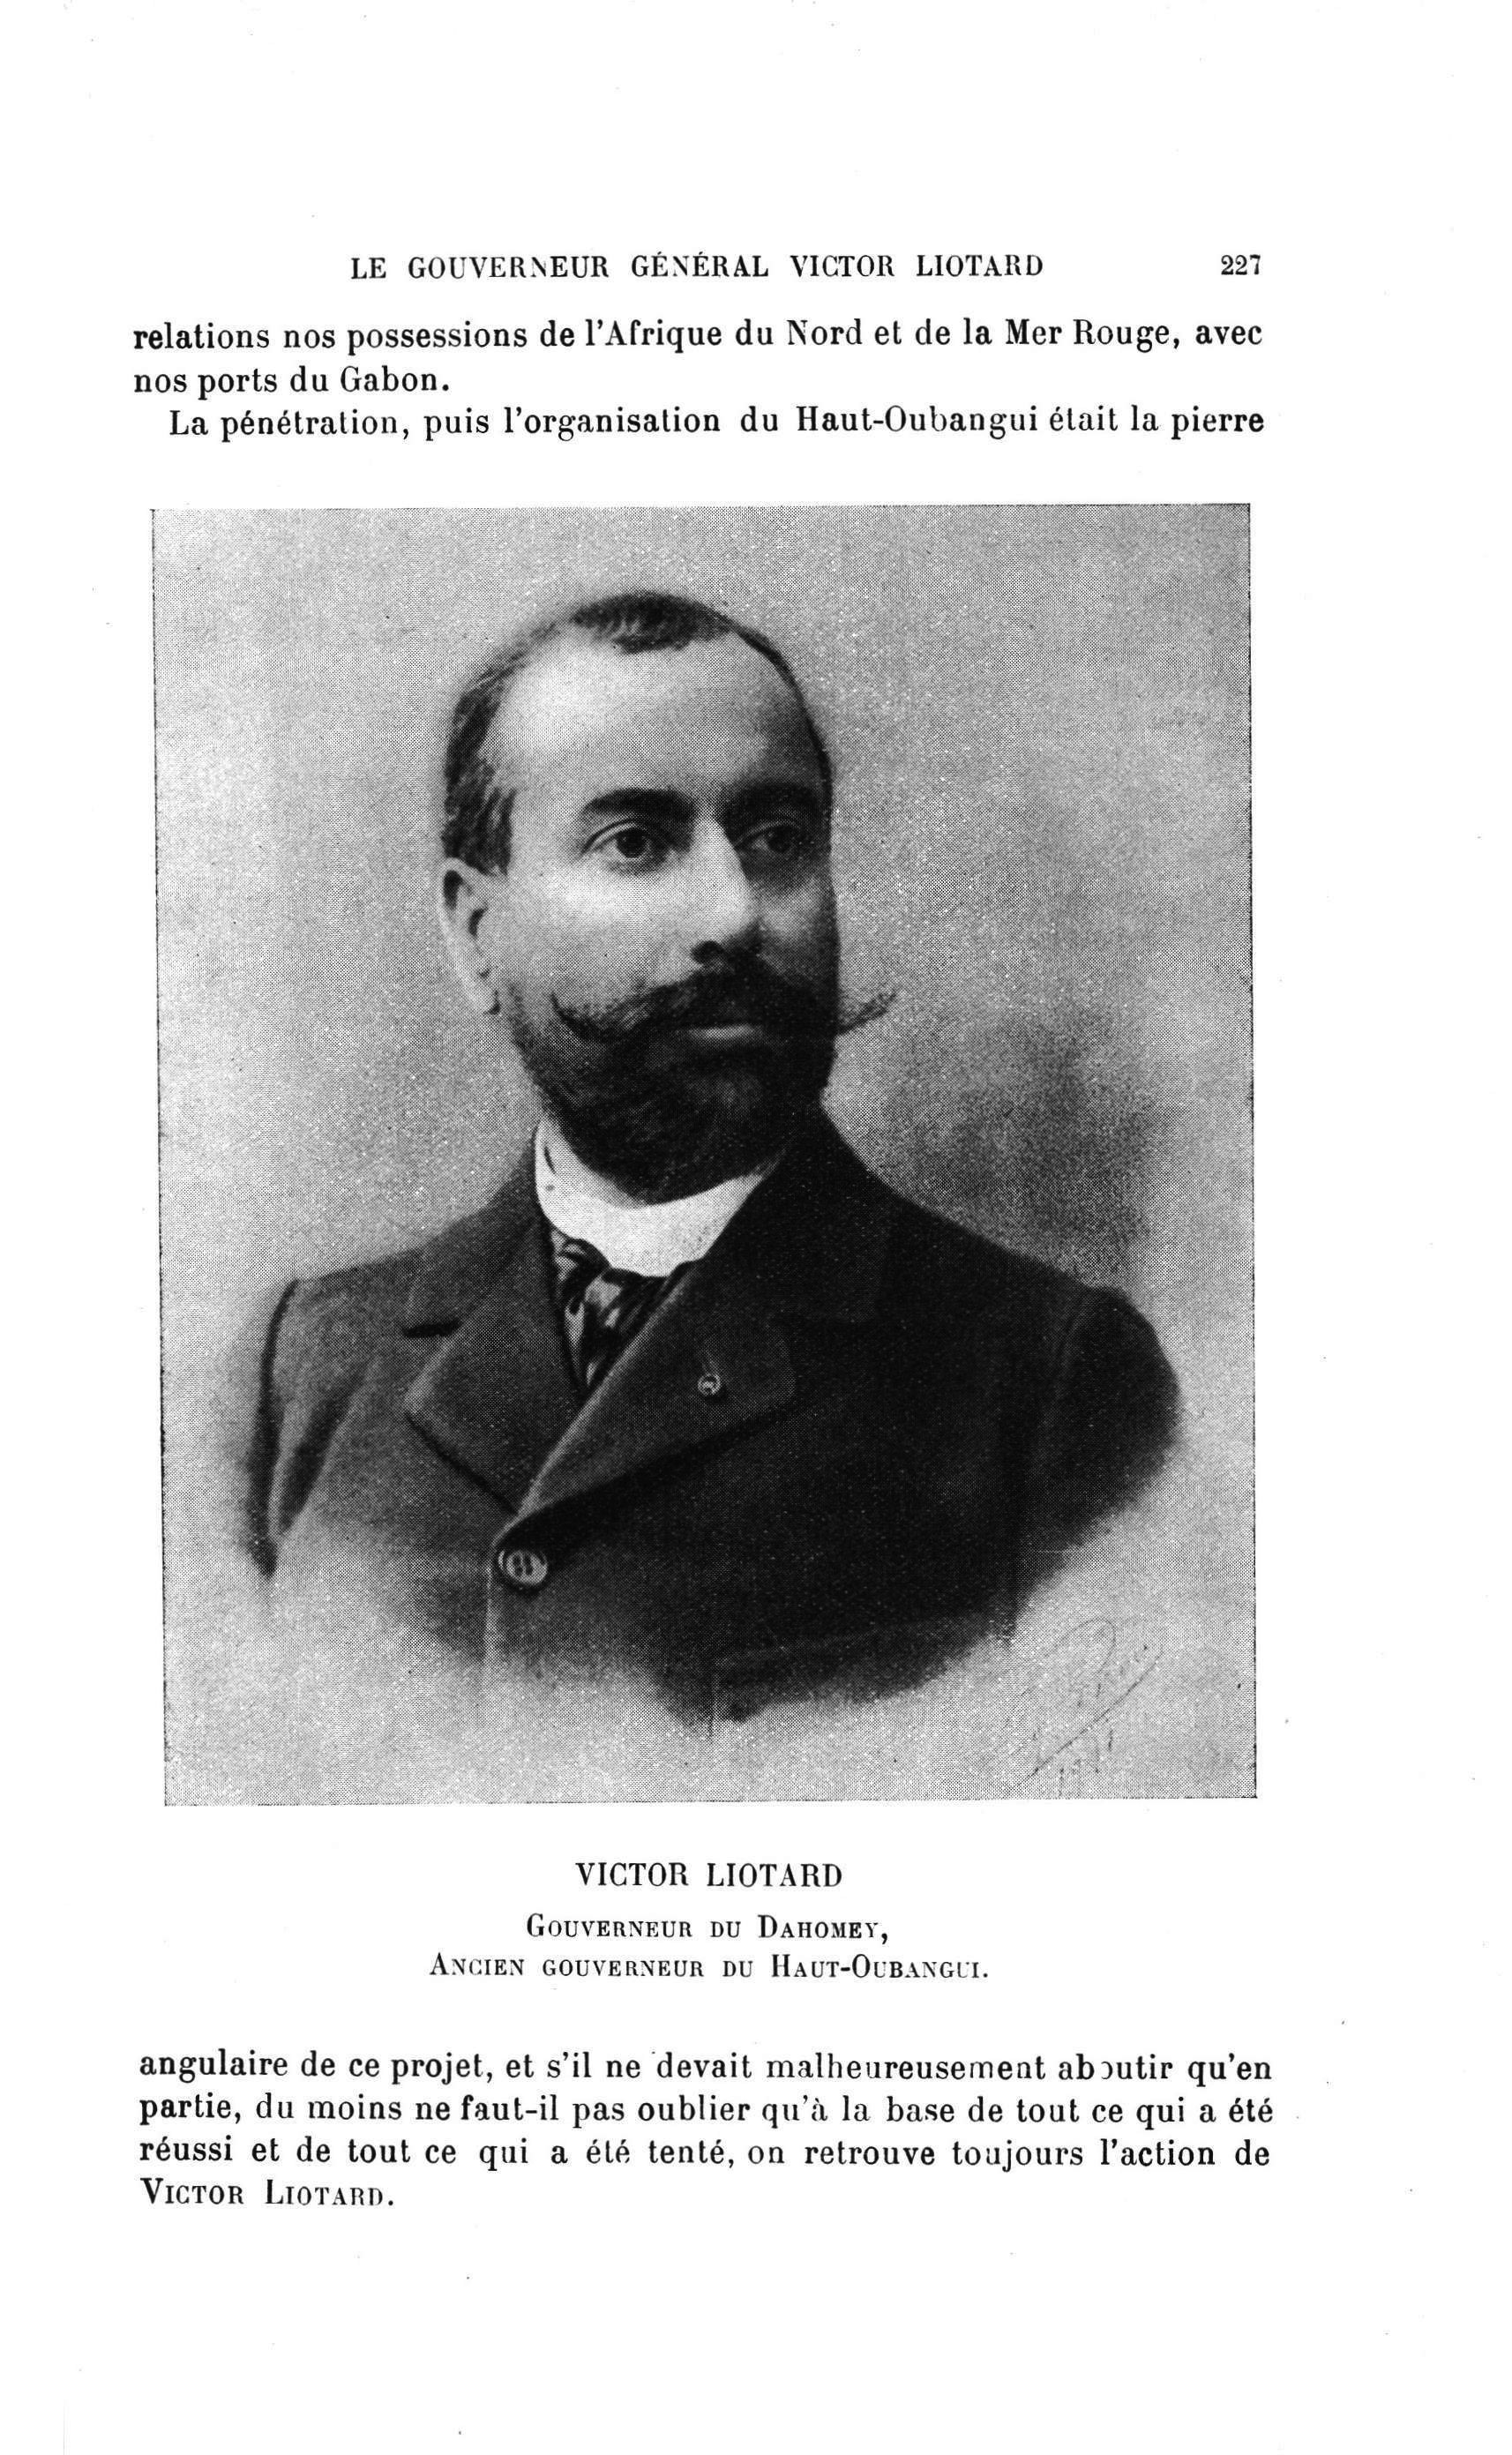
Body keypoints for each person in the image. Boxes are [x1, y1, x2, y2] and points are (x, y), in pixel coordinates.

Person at [242, 590, 1178, 1730]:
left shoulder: (1052, 1383)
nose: (735, 912)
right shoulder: (314, 1366)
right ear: (476, 934)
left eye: (776, 838)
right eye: (635, 843)